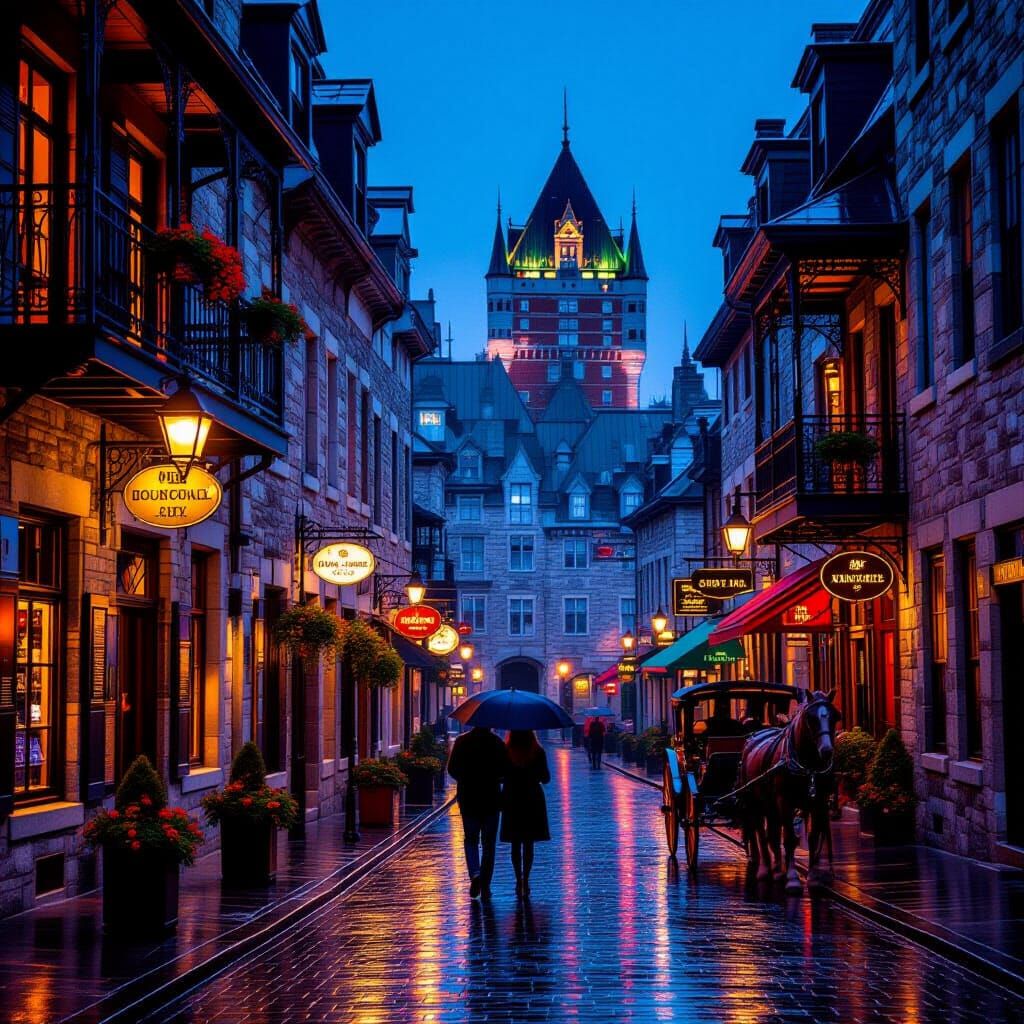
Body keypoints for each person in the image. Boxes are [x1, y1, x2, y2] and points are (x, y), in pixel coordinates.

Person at [447, 726, 508, 899]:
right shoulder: (497, 742)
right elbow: (505, 771)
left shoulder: (462, 741)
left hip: (469, 798)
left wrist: (466, 779)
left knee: (471, 839)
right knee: (489, 843)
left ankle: (475, 873)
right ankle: (485, 883)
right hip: (491, 799)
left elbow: (452, 769)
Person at [500, 730, 551, 897]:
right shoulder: (538, 751)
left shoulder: (506, 751)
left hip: (512, 797)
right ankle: (526, 880)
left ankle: (518, 880)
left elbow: (500, 775)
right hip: (532, 798)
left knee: (515, 843)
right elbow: (546, 778)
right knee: (529, 843)